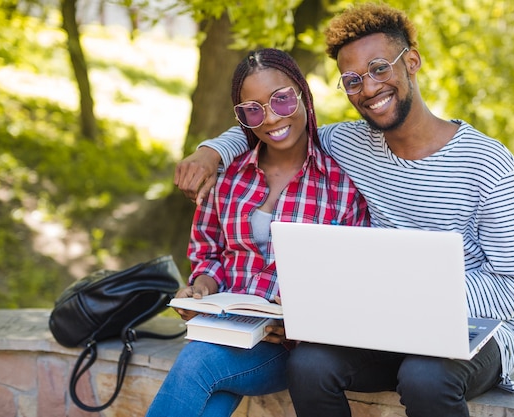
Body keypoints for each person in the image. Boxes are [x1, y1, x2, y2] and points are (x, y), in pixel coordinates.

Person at [173, 3, 514, 417]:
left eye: (380, 68)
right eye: (352, 79)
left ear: (412, 62)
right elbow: (273, 128)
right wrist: (211, 153)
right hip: (379, 326)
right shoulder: (350, 143)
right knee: (309, 365)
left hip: (475, 328)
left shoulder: (489, 164)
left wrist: (418, 299)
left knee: (424, 377)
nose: (368, 87)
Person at [145, 48, 369, 417]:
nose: (271, 117)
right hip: (226, 329)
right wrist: (202, 287)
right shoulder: (227, 179)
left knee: (198, 363)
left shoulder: (340, 188)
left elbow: (351, 280)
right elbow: (209, 254)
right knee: (209, 398)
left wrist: (303, 314)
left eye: (281, 100)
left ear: (302, 94)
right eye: (254, 108)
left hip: (286, 347)